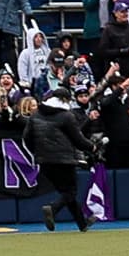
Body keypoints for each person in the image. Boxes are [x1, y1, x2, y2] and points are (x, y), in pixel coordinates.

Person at [26, 93, 96, 230]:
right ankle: (52, 209)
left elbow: (26, 138)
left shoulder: (35, 115)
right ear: (65, 99)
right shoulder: (66, 116)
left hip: (44, 160)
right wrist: (91, 146)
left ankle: (82, 223)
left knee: (66, 193)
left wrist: (37, 153)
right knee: (70, 192)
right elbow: (78, 139)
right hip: (64, 160)